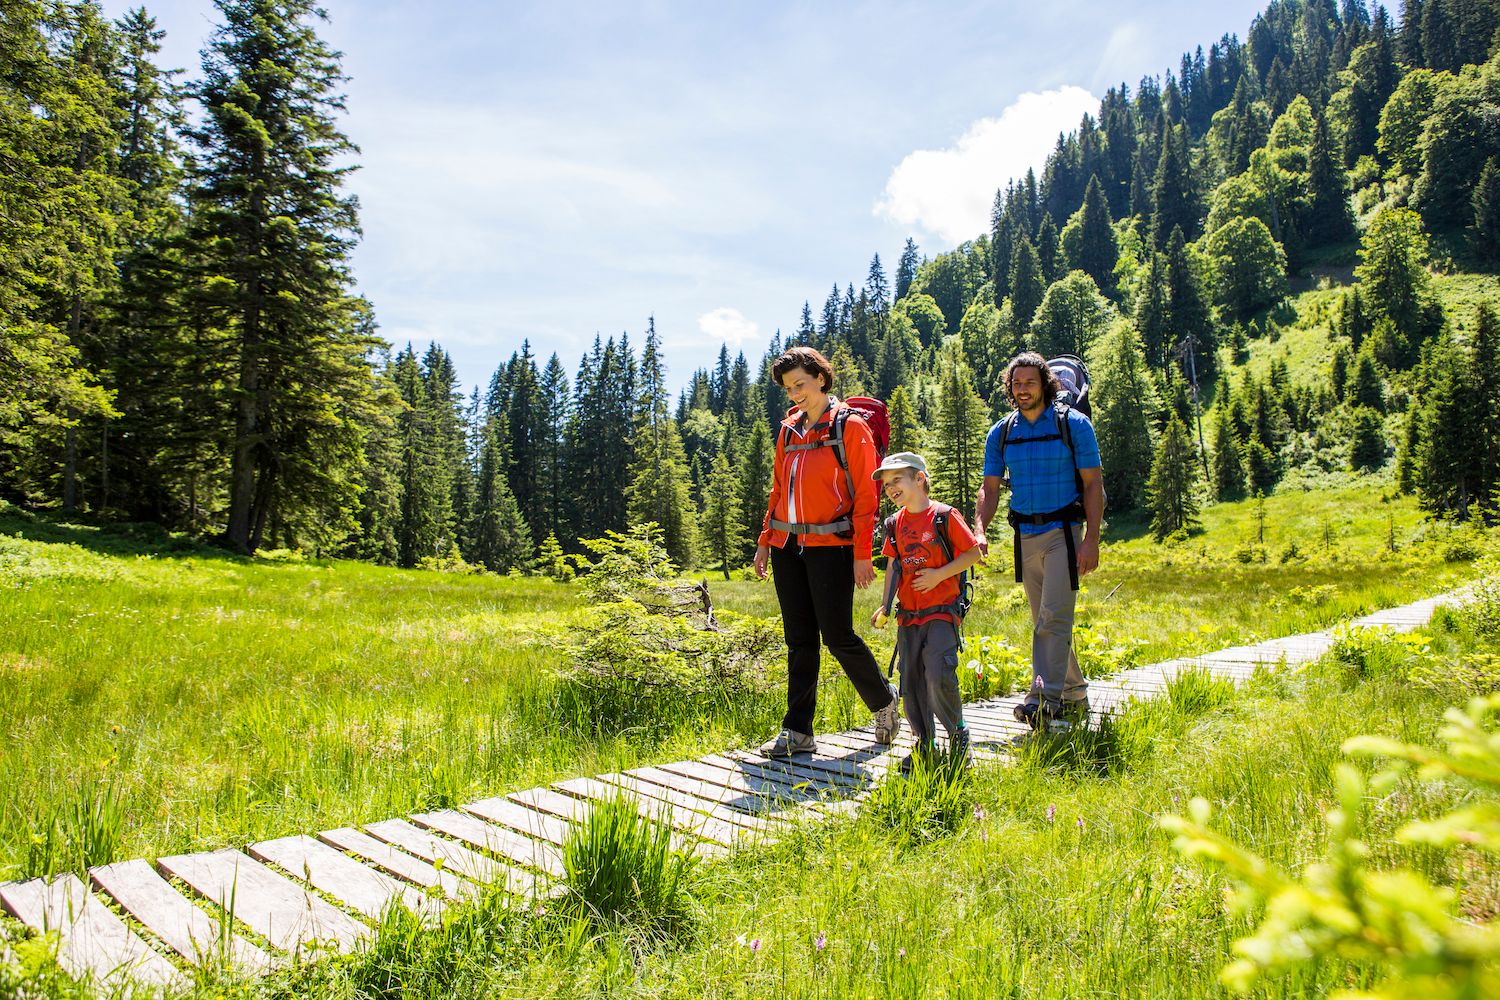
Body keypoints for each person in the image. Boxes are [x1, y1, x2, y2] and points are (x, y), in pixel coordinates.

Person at [753, 346, 901, 757]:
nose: (794, 393)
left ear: (821, 377)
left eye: (800, 383)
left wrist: (860, 553)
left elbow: (866, 495)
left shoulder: (849, 428)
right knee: (799, 640)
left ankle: (884, 702)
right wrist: (766, 541)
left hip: (831, 547)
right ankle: (798, 731)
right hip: (787, 547)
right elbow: (778, 490)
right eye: (788, 388)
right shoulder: (788, 431)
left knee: (837, 636)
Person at [975, 352, 1104, 731]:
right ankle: (1075, 694)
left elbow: (1094, 484)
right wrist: (980, 529)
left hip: (1064, 533)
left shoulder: (1074, 425)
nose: (1023, 389)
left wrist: (1092, 539)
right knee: (1046, 620)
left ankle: (1041, 700)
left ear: (1045, 383)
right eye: (1016, 384)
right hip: (1024, 536)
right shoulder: (1002, 431)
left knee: (1052, 619)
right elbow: (990, 487)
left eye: (1030, 382)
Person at [870, 452, 982, 773]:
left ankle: (958, 737)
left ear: (919, 479)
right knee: (912, 681)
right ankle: (924, 743)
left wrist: (939, 574)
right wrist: (886, 604)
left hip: (942, 612)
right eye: (886, 484)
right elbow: (894, 565)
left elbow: (972, 552)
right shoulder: (895, 524)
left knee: (938, 672)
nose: (890, 489)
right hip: (909, 615)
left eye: (896, 480)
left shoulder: (944, 517)